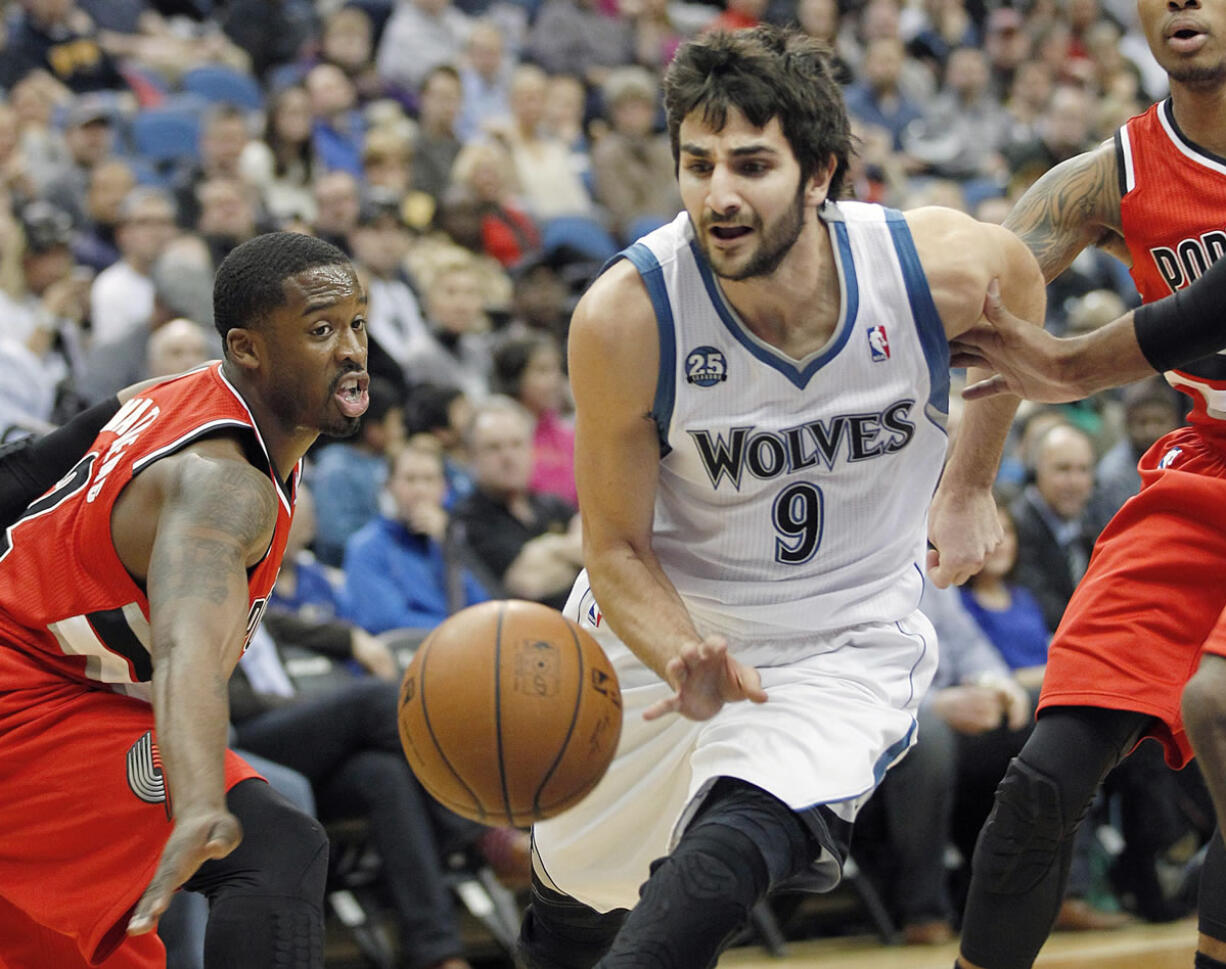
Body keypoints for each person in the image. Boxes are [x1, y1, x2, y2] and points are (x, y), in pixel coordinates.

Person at [516, 25, 1046, 969]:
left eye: (752, 164)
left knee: (710, 878)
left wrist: (968, 482)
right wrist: (683, 651)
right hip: (665, 633)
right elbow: (616, 547)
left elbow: (1024, 281)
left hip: (842, 636)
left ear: (819, 174)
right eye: (697, 163)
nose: (718, 194)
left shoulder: (929, 269)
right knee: (572, 900)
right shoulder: (628, 315)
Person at [939, 0, 1226, 960]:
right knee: (1042, 780)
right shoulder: (1106, 178)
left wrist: (1065, 366)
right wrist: (966, 484)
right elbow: (996, 312)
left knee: (1219, 709)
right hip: (1206, 463)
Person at [0, 230, 371, 968]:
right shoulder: (223, 486)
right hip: (27, 699)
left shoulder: (173, 392)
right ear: (248, 349)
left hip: (69, 697)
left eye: (358, 322)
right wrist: (200, 797)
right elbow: (185, 653)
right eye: (321, 330)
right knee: (277, 849)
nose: (352, 349)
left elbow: (27, 467)